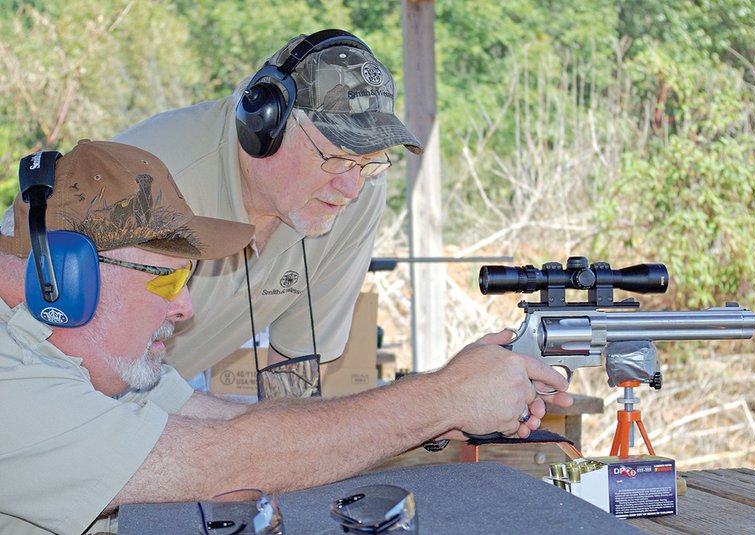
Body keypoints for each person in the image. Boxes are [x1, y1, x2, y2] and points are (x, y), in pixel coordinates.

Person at [0, 140, 572, 534]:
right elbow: (224, 461)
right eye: (168, 278)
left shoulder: (86, 354)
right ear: (65, 280)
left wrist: (438, 412)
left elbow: (223, 421)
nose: (185, 307)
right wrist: (441, 396)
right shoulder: (12, 388)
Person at [113, 29, 426, 378]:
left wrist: (281, 430)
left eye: (367, 161)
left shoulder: (360, 190)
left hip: (170, 388)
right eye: (335, 157)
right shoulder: (152, 180)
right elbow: (98, 373)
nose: (351, 187)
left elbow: (296, 373)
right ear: (264, 126)